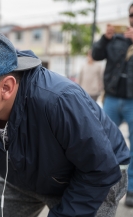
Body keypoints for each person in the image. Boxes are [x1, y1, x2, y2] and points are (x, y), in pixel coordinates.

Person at [0, 29, 130, 217]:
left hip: (91, 176)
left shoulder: (58, 100)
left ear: (7, 87)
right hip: (22, 172)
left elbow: (100, 169)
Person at [92, 3, 133, 208]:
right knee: (101, 139)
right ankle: (102, 182)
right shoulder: (117, 38)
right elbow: (96, 54)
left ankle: (131, 188)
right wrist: (104, 38)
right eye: (131, 14)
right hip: (112, 97)